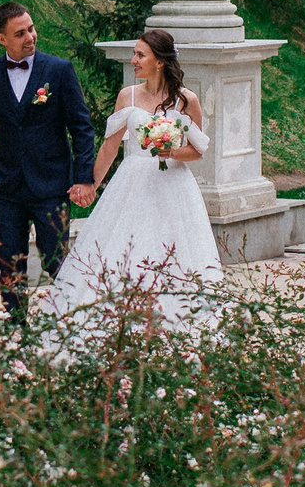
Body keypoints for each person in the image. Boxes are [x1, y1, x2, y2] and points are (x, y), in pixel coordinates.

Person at [45, 28, 222, 328]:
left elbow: (197, 150)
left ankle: (175, 322)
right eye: (135, 54)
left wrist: (171, 152)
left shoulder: (186, 100)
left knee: (172, 251)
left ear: (160, 62)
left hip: (173, 186)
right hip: (132, 182)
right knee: (122, 247)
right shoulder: (127, 96)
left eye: (141, 55)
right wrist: (91, 184)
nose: (134, 60)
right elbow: (110, 146)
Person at [0, 2, 97, 324]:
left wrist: (84, 177)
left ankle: (76, 321)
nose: (30, 37)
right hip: (5, 187)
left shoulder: (58, 70)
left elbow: (81, 128)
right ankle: (16, 327)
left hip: (51, 185)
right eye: (20, 33)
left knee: (56, 259)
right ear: (2, 39)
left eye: (30, 28)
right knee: (10, 262)